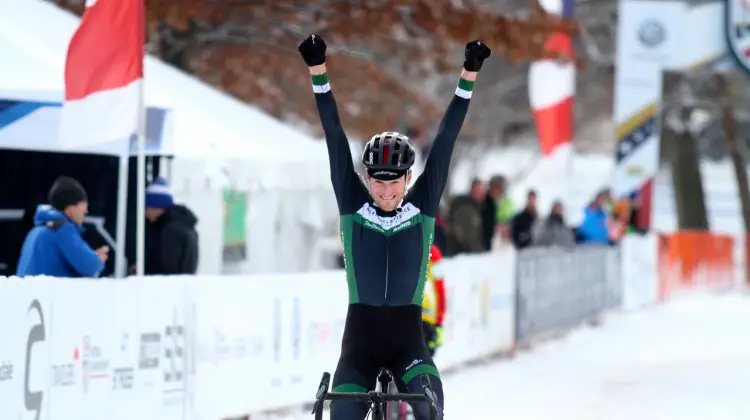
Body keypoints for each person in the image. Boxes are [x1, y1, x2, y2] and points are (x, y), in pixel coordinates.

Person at [298, 34, 490, 420]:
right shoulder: (352, 205)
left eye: (394, 181)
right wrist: (317, 69)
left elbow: (447, 138)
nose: (386, 191)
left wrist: (469, 72)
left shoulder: (422, 206)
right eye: (379, 181)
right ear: (367, 178)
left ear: (408, 179)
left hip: (409, 347)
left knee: (429, 412)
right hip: (359, 348)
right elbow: (334, 134)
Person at [16, 176, 107, 278]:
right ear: (70, 208)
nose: (86, 211)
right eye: (83, 206)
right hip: (45, 293)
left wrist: (90, 256)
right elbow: (90, 266)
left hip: (32, 292)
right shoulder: (61, 227)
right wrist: (97, 260)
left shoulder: (39, 229)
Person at [143, 177, 199, 275]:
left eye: (147, 208)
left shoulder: (170, 231)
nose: (145, 213)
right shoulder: (184, 224)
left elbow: (166, 268)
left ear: (157, 207)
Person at [447, 178, 485, 254]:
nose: (479, 193)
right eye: (477, 189)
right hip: (462, 253)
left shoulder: (479, 207)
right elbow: (465, 234)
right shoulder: (465, 206)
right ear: (471, 190)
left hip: (469, 253)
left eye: (480, 190)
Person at [422, 244, 447, 356]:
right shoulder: (433, 252)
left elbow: (440, 290)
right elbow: (440, 290)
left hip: (422, 319)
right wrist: (439, 322)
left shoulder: (434, 253)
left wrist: (439, 322)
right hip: (427, 319)